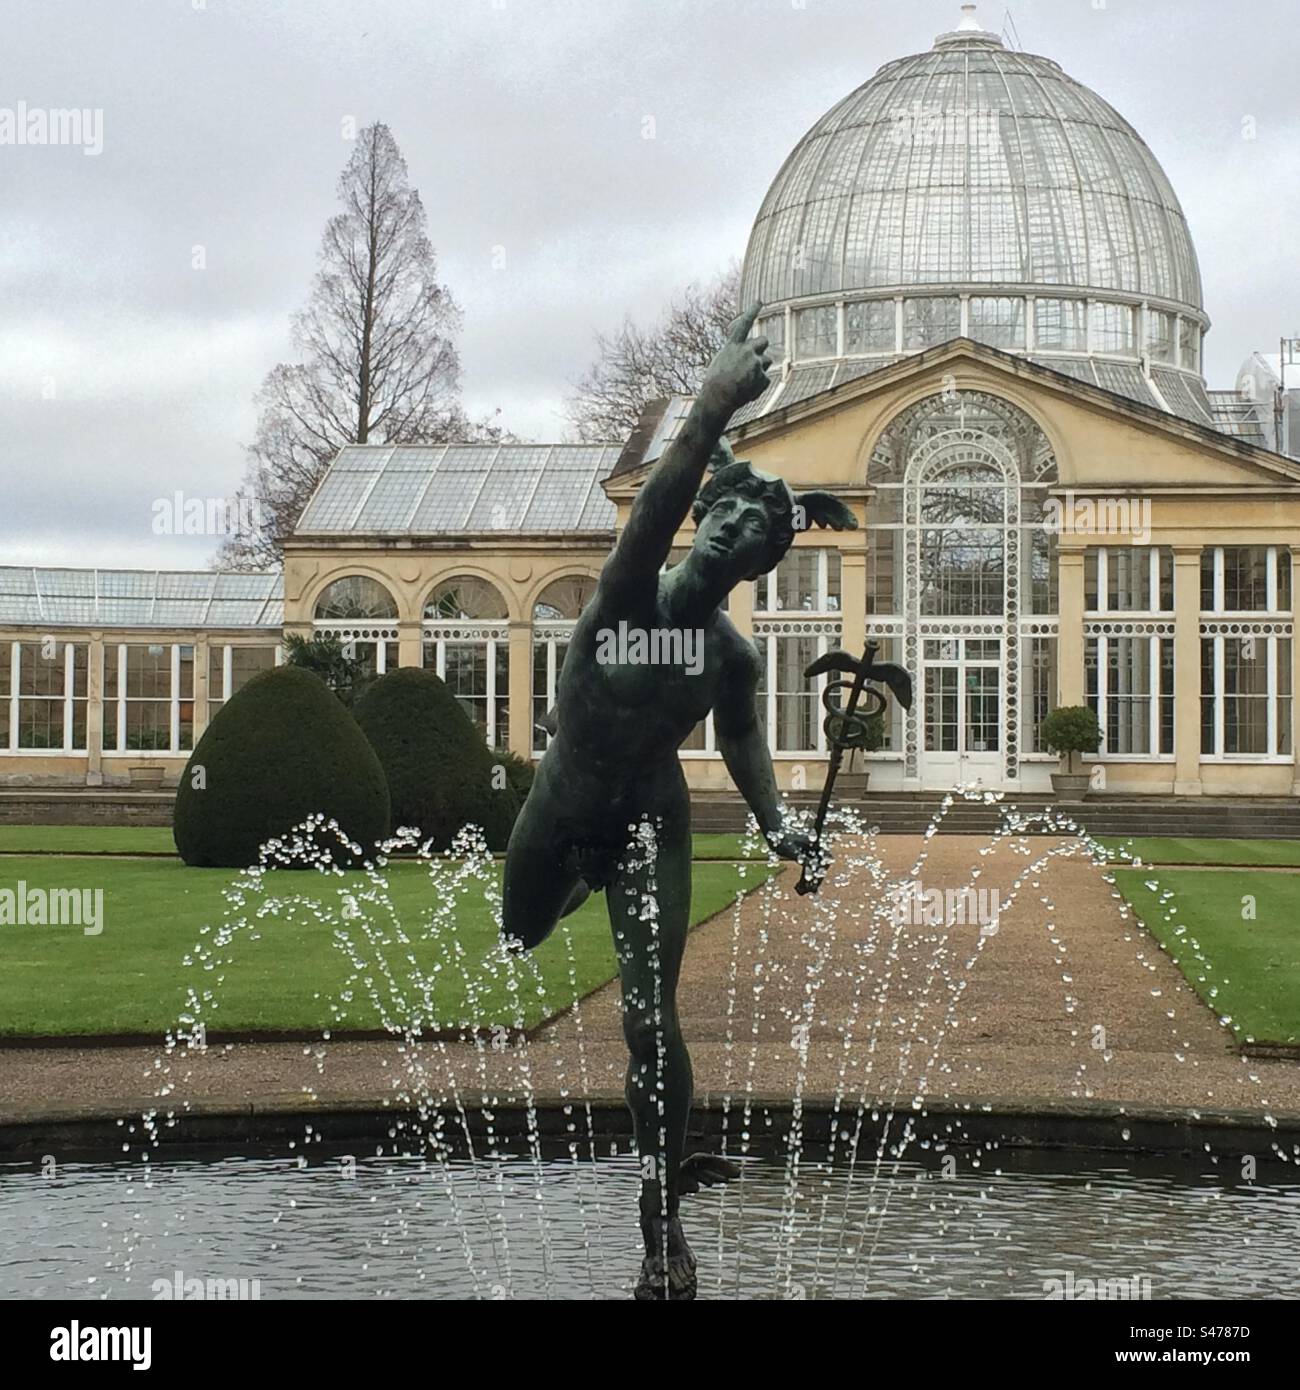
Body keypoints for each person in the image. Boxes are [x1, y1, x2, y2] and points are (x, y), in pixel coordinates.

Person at [501, 302, 856, 1299]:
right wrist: (707, 407)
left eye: (757, 535)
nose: (737, 535)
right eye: (729, 516)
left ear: (755, 565)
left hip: (653, 817)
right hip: (564, 808)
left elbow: (742, 736)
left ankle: (662, 1228)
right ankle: (570, 888)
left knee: (653, 1024)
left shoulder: (727, 655)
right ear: (703, 525)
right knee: (516, 932)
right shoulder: (624, 599)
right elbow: (652, 505)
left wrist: (779, 820)